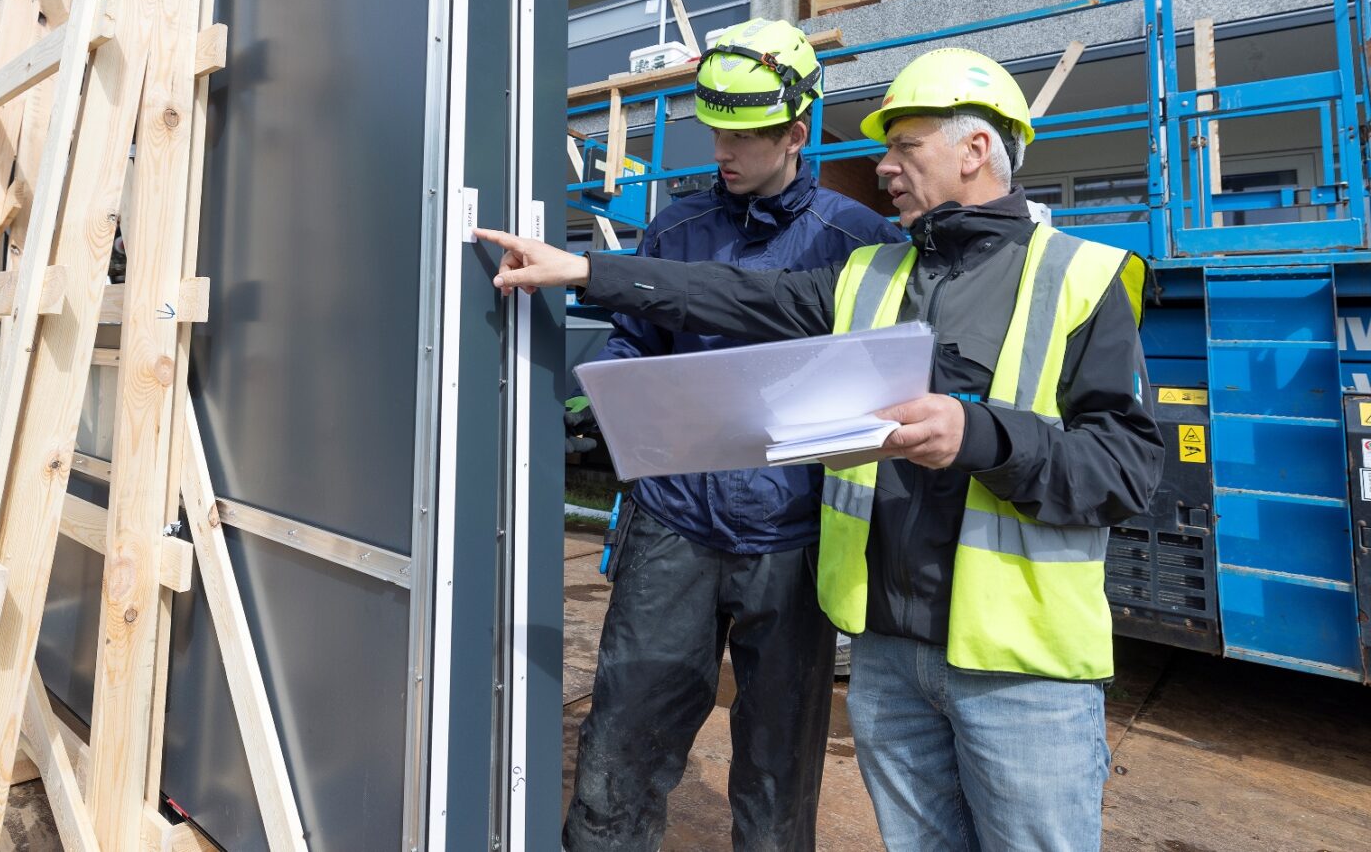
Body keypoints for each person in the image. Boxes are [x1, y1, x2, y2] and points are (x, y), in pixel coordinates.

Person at [482, 47, 1165, 852]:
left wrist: (977, 435)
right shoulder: (872, 270)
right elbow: (736, 297)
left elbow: (1125, 469)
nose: (883, 168)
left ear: (975, 150)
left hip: (1016, 669)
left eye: (905, 148)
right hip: (888, 650)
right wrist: (584, 268)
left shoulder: (1082, 276)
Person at [563, 19, 901, 851]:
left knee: (781, 757)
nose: (724, 148)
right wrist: (602, 396)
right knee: (624, 737)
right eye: (716, 128)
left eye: (745, 134)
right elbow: (638, 337)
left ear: (796, 131)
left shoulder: (858, 241)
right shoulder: (677, 231)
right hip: (673, 522)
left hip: (793, 530)